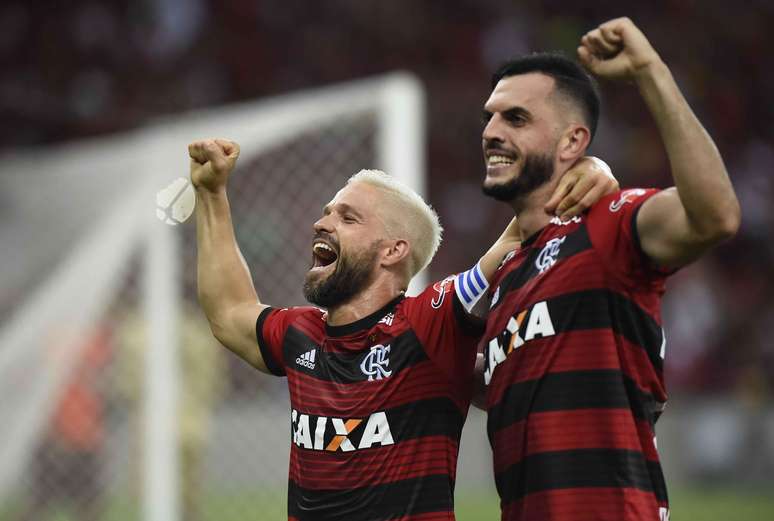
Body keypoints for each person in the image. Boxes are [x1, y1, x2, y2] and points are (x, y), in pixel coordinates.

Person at [189, 135, 616, 519]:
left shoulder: (428, 325)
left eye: (348, 218)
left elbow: (519, 230)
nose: (322, 224)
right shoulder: (302, 333)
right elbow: (229, 311)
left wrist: (592, 169)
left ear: (393, 250)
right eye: (327, 213)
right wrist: (211, 194)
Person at [477, 17, 740, 521]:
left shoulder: (608, 224)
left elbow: (715, 216)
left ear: (573, 142)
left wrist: (649, 72)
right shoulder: (507, 274)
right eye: (489, 118)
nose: (490, 132)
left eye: (515, 118)